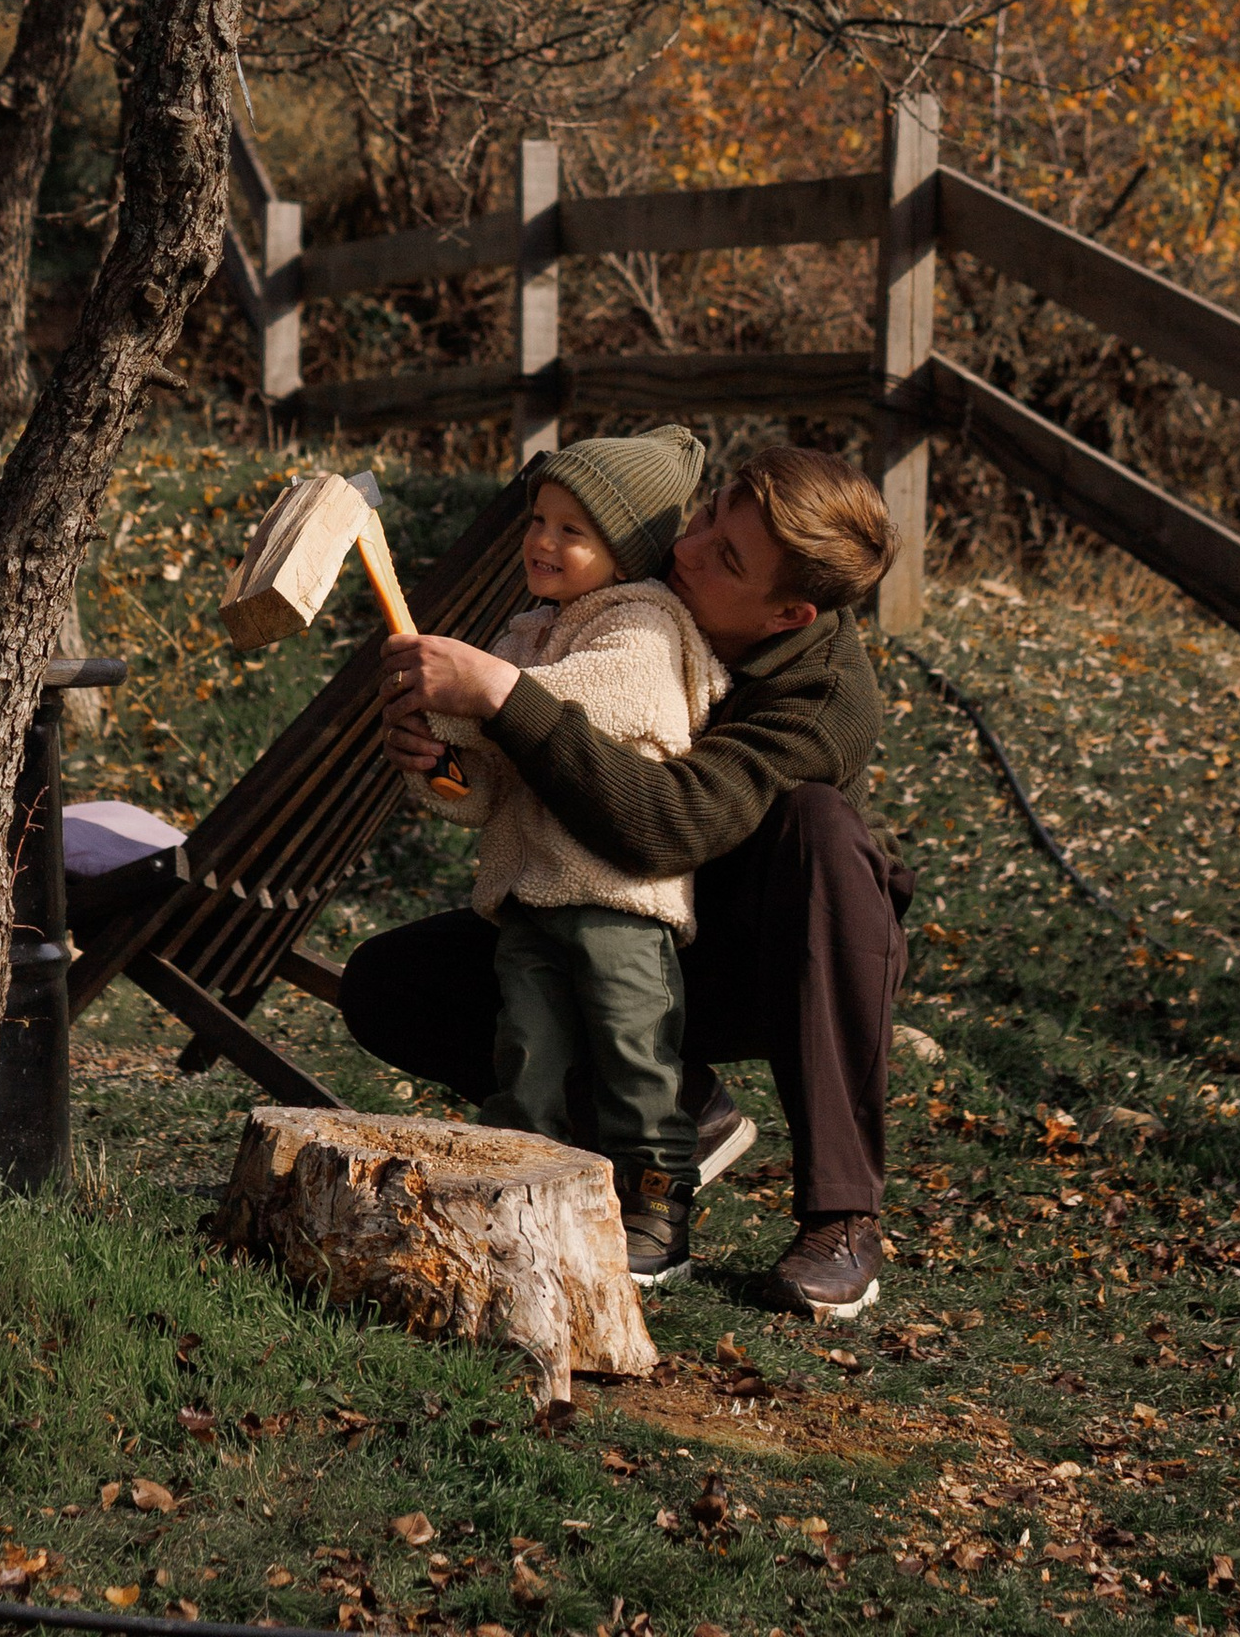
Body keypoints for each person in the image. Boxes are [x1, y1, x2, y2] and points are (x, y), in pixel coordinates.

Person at [362, 439, 907, 1320]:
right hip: (595, 911)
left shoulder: (827, 694)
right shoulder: (643, 575)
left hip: (754, 949)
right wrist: (449, 756)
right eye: (706, 516)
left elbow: (670, 823)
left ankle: (843, 1216)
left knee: (824, 830)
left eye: (726, 558)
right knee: (391, 982)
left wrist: (505, 698)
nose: (685, 549)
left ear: (789, 614)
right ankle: (682, 1103)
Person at [425, 426, 724, 1285]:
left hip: (621, 901)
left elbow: (601, 705)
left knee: (636, 1057)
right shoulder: (527, 636)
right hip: (528, 895)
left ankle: (657, 1211)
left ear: (625, 551)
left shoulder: (644, 625)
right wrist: (436, 764)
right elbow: (485, 790)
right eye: (539, 520)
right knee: (526, 1053)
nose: (543, 542)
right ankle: (511, 1198)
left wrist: (465, 698)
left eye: (573, 531)